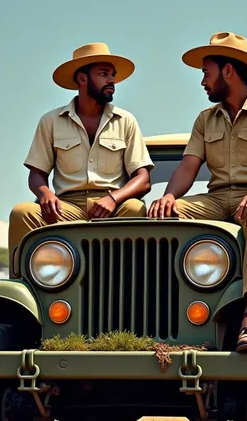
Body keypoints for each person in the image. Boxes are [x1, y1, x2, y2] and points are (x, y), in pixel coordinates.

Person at [148, 32, 247, 353]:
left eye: (206, 73)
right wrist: (169, 196)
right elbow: (188, 167)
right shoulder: (205, 120)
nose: (203, 81)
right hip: (216, 200)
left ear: (227, 71)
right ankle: (158, 311)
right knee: (160, 214)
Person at [8, 42, 154, 268]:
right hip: (66, 208)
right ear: (82, 79)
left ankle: (127, 284)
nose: (112, 81)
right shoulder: (51, 121)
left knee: (136, 209)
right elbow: (36, 174)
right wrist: (45, 193)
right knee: (22, 212)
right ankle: (24, 281)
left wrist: (113, 199)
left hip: (114, 208)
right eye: (104, 74)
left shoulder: (126, 121)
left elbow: (143, 179)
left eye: (113, 75)